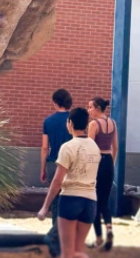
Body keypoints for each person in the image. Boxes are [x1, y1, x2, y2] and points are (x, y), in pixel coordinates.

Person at [37, 107, 102, 258]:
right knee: (78, 252)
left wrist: (45, 207)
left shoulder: (68, 147)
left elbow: (57, 181)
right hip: (91, 201)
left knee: (66, 253)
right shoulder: (94, 147)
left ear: (70, 124)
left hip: (71, 199)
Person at [41, 89, 74, 256]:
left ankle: (55, 235)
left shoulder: (48, 121)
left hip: (54, 162)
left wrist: (42, 169)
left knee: (54, 201)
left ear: (55, 102)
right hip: (71, 165)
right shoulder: (73, 120)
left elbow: (45, 147)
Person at [87, 97, 118, 251]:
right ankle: (109, 228)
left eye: (90, 107)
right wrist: (111, 164)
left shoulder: (93, 124)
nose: (89, 110)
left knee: (94, 203)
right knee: (104, 202)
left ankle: (99, 237)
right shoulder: (113, 123)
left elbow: (90, 148)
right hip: (108, 162)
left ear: (98, 108)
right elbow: (116, 147)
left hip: (97, 162)